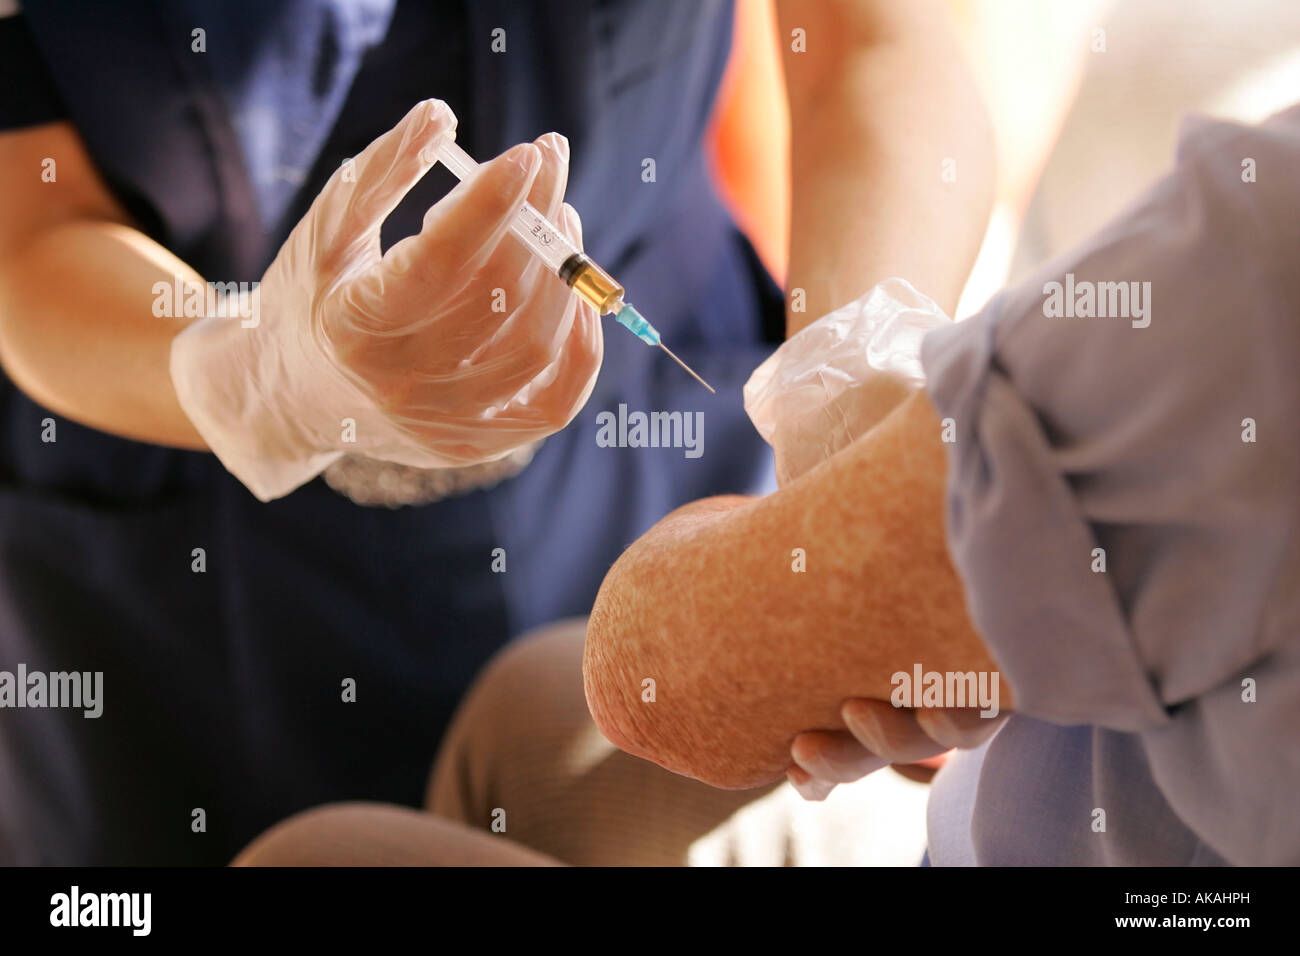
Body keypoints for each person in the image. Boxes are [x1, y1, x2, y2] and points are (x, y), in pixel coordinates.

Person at [0, 0, 993, 864]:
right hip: (205, 576)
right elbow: (26, 224)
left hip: (659, 428)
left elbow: (873, 39)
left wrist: (856, 366)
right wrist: (254, 374)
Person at [585, 103, 1300, 865]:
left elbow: (660, 677)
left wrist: (856, 466)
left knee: (528, 723)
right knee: (529, 708)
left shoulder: (1254, 268)